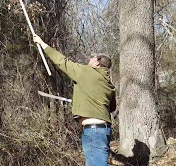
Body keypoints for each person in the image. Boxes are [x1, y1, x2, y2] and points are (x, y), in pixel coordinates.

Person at [33, 34, 116, 166]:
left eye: (92, 58)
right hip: (102, 130)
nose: (89, 59)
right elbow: (111, 108)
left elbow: (62, 61)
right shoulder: (108, 83)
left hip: (94, 131)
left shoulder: (86, 72)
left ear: (97, 62)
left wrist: (43, 44)